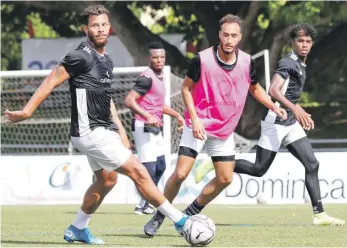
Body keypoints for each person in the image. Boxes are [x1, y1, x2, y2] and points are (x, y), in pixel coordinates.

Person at [4, 5, 189, 245]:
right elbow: (51, 79)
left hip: (102, 131)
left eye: (103, 24)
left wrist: (120, 131)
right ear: (86, 29)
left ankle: (78, 228)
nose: (100, 29)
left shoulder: (106, 61)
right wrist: (27, 111)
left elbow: (106, 99)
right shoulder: (81, 55)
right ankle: (181, 221)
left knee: (108, 179)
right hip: (88, 131)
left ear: (109, 27)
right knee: (139, 171)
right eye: (94, 25)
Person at [143, 14, 287, 237]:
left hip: (224, 130)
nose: (229, 40)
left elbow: (254, 88)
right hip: (197, 124)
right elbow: (186, 89)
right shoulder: (201, 59)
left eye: (234, 36)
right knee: (180, 174)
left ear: (239, 38)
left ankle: (191, 212)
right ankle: (161, 214)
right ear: (220, 35)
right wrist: (195, 118)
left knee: (225, 179)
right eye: (226, 35)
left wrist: (273, 106)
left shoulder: (247, 62)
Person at [194, 23, 345, 226]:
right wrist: (297, 108)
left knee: (312, 164)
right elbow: (273, 90)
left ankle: (319, 215)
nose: (305, 45)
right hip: (276, 121)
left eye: (308, 41)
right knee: (259, 169)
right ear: (292, 42)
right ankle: (215, 163)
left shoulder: (301, 64)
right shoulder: (288, 63)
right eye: (300, 41)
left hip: (289, 122)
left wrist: (295, 112)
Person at [124, 41, 184, 215]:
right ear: (149, 58)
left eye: (162, 57)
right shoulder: (146, 77)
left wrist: (177, 115)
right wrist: (147, 115)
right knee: (148, 169)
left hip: (155, 127)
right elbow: (129, 100)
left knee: (161, 166)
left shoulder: (160, 77)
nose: (159, 60)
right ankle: (143, 203)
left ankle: (147, 200)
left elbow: (158, 106)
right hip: (143, 127)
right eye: (155, 57)